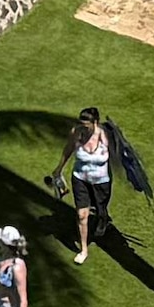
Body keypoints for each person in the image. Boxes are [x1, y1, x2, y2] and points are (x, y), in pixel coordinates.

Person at [64, 107, 119, 261]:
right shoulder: (77, 132)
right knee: (82, 215)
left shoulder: (105, 135)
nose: (84, 127)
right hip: (80, 178)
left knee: (100, 210)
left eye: (86, 124)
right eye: (81, 124)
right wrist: (59, 169)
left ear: (95, 123)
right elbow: (68, 149)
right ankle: (83, 250)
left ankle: (103, 218)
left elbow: (121, 153)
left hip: (101, 182)